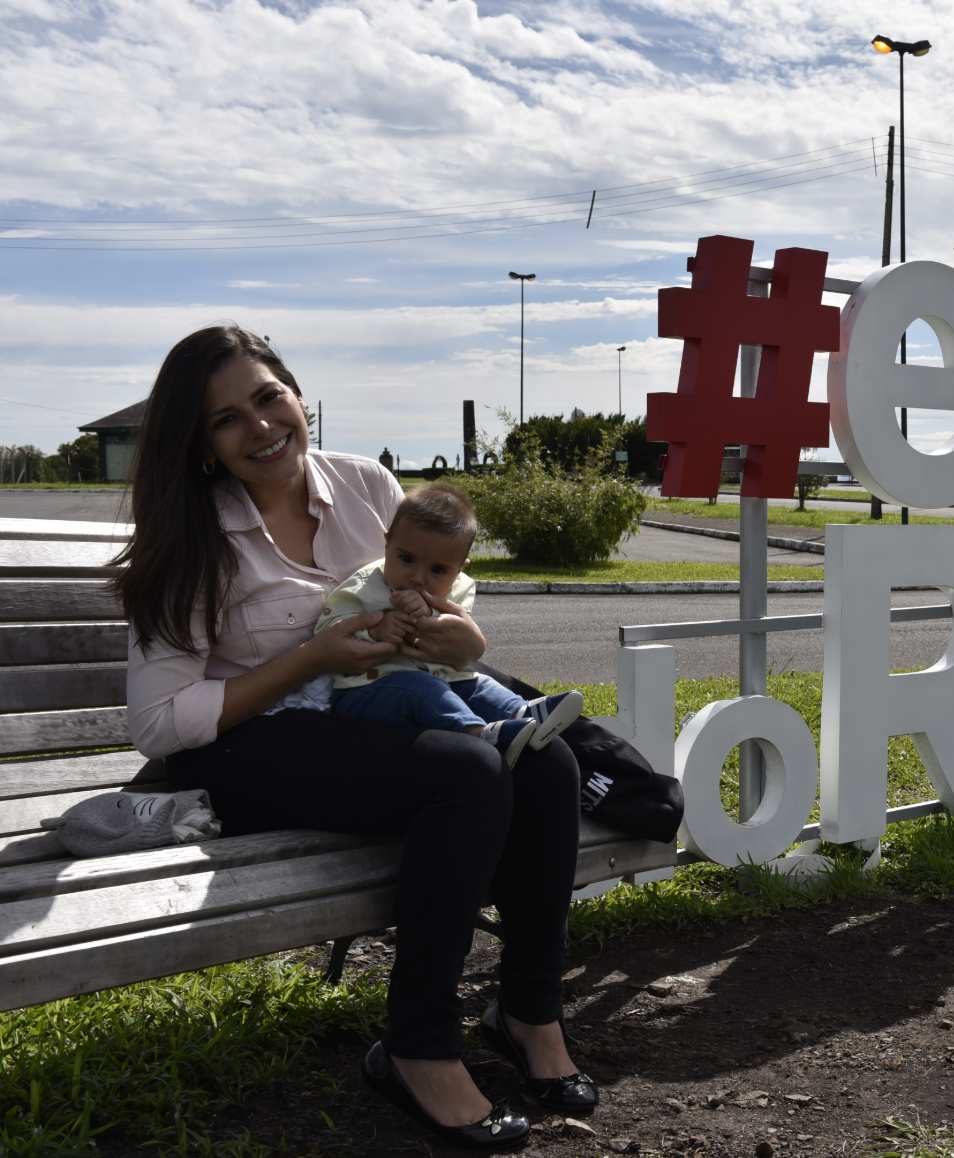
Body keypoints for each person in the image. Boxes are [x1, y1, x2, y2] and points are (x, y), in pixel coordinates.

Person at [117, 325, 597, 1149]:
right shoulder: (188, 535)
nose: (261, 426)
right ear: (199, 443)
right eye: (226, 419)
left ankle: (528, 1014)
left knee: (546, 763)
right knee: (468, 771)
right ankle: (417, 1049)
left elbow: (442, 592)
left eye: (269, 397)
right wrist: (311, 656)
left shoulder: (368, 485)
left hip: (366, 717)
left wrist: (448, 636)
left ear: (298, 394)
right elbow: (158, 725)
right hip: (245, 747)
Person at [300, 482, 585, 768]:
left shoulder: (460, 588)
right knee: (421, 688)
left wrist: (433, 618)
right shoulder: (363, 586)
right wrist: (374, 630)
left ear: (460, 568)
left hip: (441, 679)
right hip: (366, 690)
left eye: (437, 570)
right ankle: (479, 734)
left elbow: (453, 636)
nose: (418, 577)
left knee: (476, 683)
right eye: (406, 559)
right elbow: (328, 629)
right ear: (387, 544)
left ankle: (521, 714)